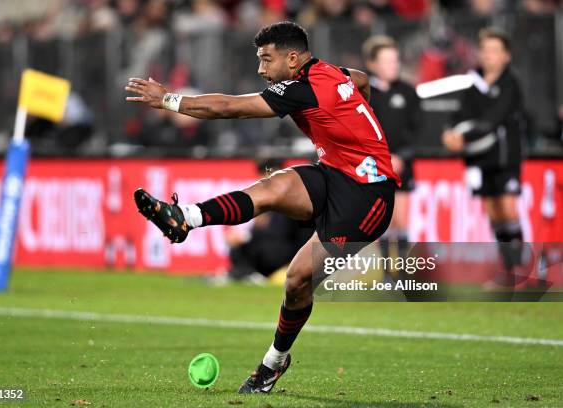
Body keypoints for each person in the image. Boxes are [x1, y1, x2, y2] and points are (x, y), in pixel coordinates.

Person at [125, 21, 400, 393]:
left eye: (266, 59)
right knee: (276, 185)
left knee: (297, 280)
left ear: (291, 58)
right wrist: (358, 128)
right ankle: (185, 217)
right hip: (336, 174)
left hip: (368, 197)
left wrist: (169, 100)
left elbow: (229, 108)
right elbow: (362, 80)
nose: (261, 69)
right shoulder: (331, 72)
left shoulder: (303, 88)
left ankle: (272, 364)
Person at [441, 27, 525, 287]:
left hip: (505, 157)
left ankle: (523, 269)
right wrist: (449, 134)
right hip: (479, 159)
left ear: (506, 56)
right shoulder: (472, 84)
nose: (489, 55)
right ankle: (509, 270)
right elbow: (459, 116)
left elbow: (493, 119)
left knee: (508, 210)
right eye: (486, 50)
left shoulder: (510, 84)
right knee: (493, 213)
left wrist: (463, 137)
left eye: (495, 50)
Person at [363, 35, 421, 280]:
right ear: (372, 64)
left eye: (395, 60)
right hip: (374, 165)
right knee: (384, 219)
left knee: (402, 217)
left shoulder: (407, 92)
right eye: (387, 61)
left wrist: (403, 156)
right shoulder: (363, 94)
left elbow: (419, 131)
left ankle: (405, 273)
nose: (393, 66)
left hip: (402, 165)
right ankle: (387, 273)